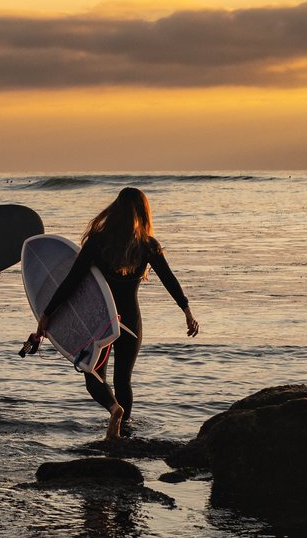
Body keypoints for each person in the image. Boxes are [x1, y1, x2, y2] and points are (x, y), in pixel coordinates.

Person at [25, 186, 198, 442]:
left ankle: (113, 409)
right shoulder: (148, 246)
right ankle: (123, 431)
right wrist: (186, 310)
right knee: (123, 379)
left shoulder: (98, 241)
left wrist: (47, 313)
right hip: (130, 321)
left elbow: (71, 282)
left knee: (93, 376)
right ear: (143, 212)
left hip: (101, 322)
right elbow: (169, 280)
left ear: (115, 210)